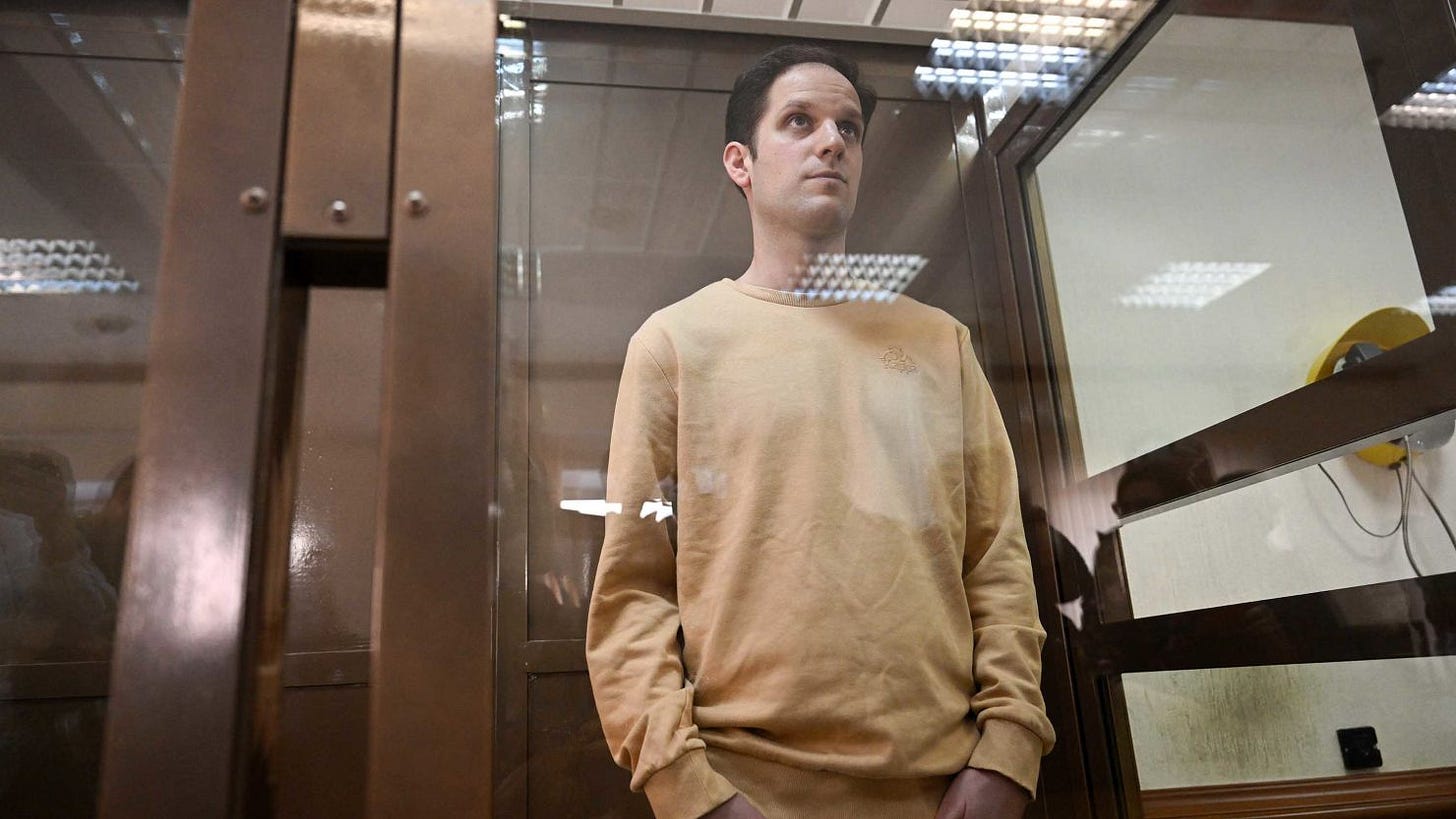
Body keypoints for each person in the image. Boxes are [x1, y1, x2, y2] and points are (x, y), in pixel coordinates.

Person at [585, 44, 1054, 819]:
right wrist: (690, 790)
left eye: (849, 127)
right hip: (747, 788)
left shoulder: (939, 342)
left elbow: (996, 556)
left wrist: (1008, 753)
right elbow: (632, 591)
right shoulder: (675, 344)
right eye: (799, 122)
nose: (832, 141)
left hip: (948, 788)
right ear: (741, 161)